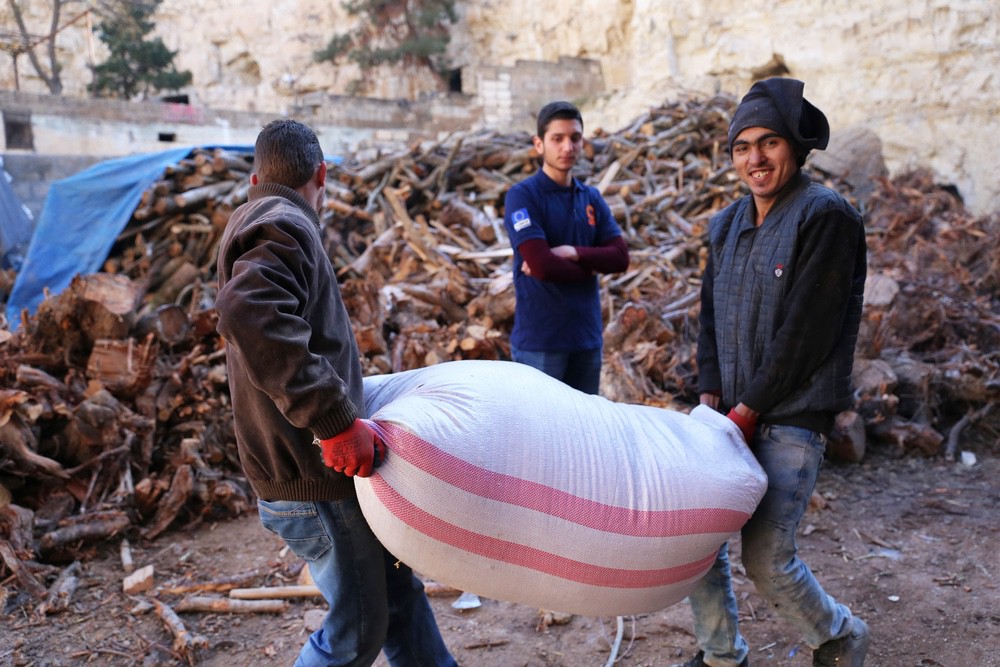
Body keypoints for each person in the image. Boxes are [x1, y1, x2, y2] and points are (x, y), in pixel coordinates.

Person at [215, 119, 458, 667]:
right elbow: (247, 310)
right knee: (356, 633)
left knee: (397, 599)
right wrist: (334, 419)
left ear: (256, 176)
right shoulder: (284, 223)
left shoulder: (255, 218)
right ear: (321, 174)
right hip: (314, 478)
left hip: (309, 470)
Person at [676, 78, 870, 667]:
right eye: (742, 147)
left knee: (766, 557)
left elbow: (806, 333)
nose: (755, 159)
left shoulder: (827, 217)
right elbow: (709, 317)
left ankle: (838, 635)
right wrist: (712, 398)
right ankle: (719, 654)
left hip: (790, 415)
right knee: (695, 540)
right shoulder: (727, 224)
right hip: (729, 410)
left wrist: (748, 409)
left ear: (795, 148)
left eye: (769, 143)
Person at [502, 100, 629, 394]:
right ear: (539, 144)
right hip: (541, 344)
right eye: (557, 139)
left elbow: (621, 258)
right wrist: (594, 264)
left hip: (586, 340)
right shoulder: (523, 197)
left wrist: (575, 253)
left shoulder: (591, 198)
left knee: (582, 436)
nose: (567, 147)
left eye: (574, 138)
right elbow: (542, 265)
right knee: (538, 437)